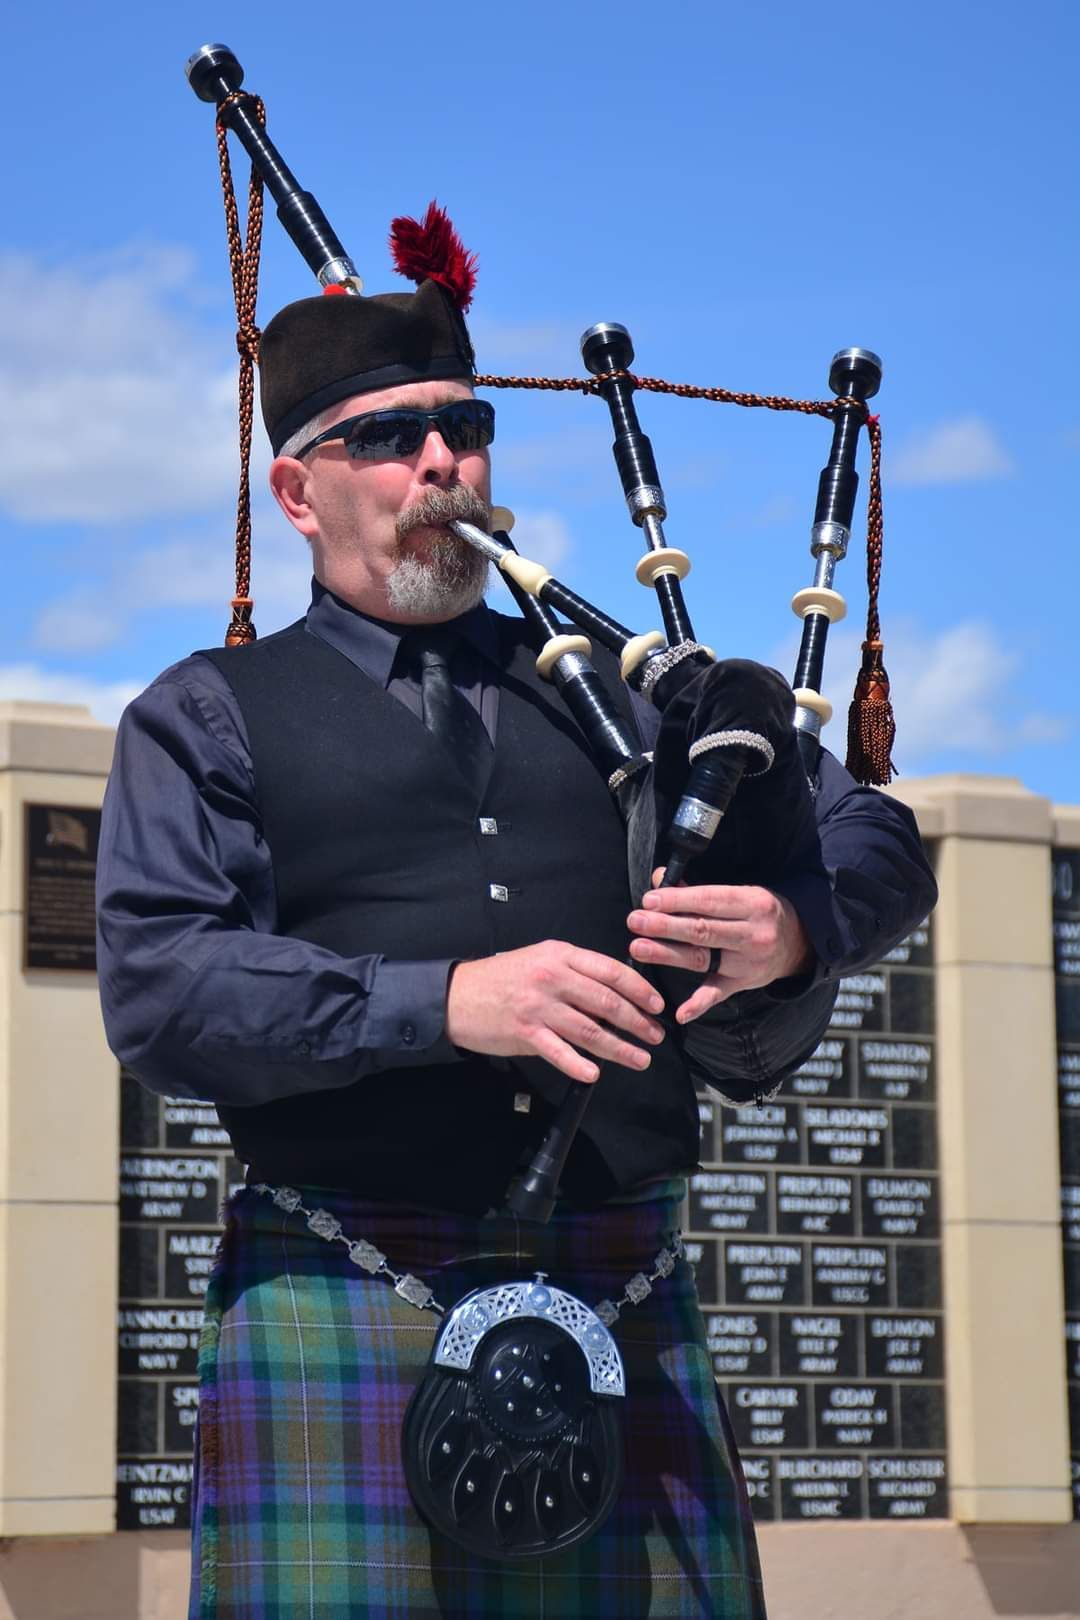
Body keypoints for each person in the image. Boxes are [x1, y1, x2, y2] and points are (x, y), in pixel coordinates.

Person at [97, 211, 936, 1620]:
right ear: (297, 492)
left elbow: (874, 835)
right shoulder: (205, 716)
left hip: (622, 1297)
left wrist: (796, 924)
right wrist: (448, 1001)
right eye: (387, 436)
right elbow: (162, 989)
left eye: (465, 427)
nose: (442, 462)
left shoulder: (624, 685)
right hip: (343, 1289)